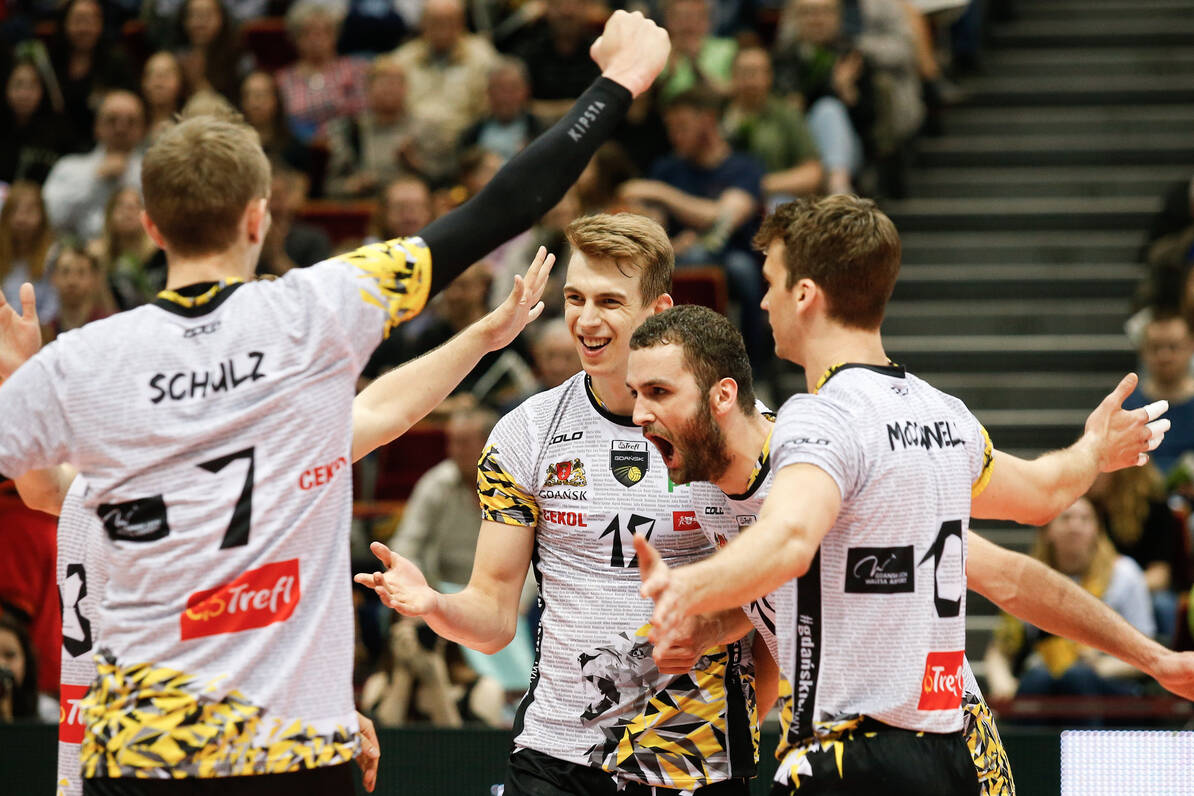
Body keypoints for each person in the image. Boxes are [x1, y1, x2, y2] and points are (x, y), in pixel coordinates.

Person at [0, 11, 671, 793]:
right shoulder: (318, 309)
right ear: (260, 217)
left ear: (149, 224)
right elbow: (501, 207)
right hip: (292, 752)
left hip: (145, 754)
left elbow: (44, 488)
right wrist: (617, 82)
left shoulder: (82, 362)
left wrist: (19, 384)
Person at [634, 195, 1172, 795]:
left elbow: (790, 537)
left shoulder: (817, 419)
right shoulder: (944, 415)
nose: (763, 302)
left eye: (771, 283)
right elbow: (1044, 497)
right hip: (953, 747)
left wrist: (687, 587)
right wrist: (1093, 451)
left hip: (850, 753)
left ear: (804, 294)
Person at [19, 243, 559, 796]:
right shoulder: (154, 459)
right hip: (142, 744)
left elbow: (385, 408)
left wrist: (485, 336)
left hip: (180, 740)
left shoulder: (257, 457)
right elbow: (45, 488)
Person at [357, 212, 761, 795]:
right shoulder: (525, 432)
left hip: (693, 754)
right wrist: (434, 605)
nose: (586, 320)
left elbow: (780, 584)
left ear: (659, 310)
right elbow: (494, 619)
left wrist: (715, 633)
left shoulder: (727, 429)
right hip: (556, 754)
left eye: (609, 301)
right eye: (575, 298)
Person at [986, 497, 1156, 711]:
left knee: (1076, 676)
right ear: (1048, 530)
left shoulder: (1124, 575)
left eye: (1084, 519)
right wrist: (1002, 683)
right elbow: (1000, 651)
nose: (1075, 526)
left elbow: (1147, 654)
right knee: (1038, 679)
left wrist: (1100, 667)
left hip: (1107, 681)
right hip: (1043, 678)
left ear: (1097, 530)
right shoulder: (1026, 580)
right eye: (1066, 518)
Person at [42, 89, 146, 242]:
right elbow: (47, 218)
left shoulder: (153, 172)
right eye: (112, 120)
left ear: (142, 129)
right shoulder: (69, 167)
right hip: (75, 250)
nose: (121, 128)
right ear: (97, 126)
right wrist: (94, 179)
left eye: (131, 121)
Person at [1123, 308, 1194, 476]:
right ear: (1143, 351)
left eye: (1173, 347)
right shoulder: (1127, 406)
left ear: (1191, 347)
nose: (1165, 356)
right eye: (1155, 348)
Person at [0, 181, 58, 322]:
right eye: (14, 211)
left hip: (42, 329)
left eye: (30, 211)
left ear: (42, 216)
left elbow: (55, 307)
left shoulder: (54, 256)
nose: (21, 219)